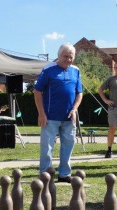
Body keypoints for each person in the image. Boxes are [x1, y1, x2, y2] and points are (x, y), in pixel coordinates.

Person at [33, 43, 83, 183]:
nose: (68, 59)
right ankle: (45, 174)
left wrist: (75, 109)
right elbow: (37, 91)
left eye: (71, 57)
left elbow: (79, 93)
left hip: (69, 117)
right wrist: (41, 113)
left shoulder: (76, 70)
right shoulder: (48, 69)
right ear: (58, 55)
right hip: (50, 117)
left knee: (68, 145)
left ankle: (64, 174)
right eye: (65, 56)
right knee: (47, 147)